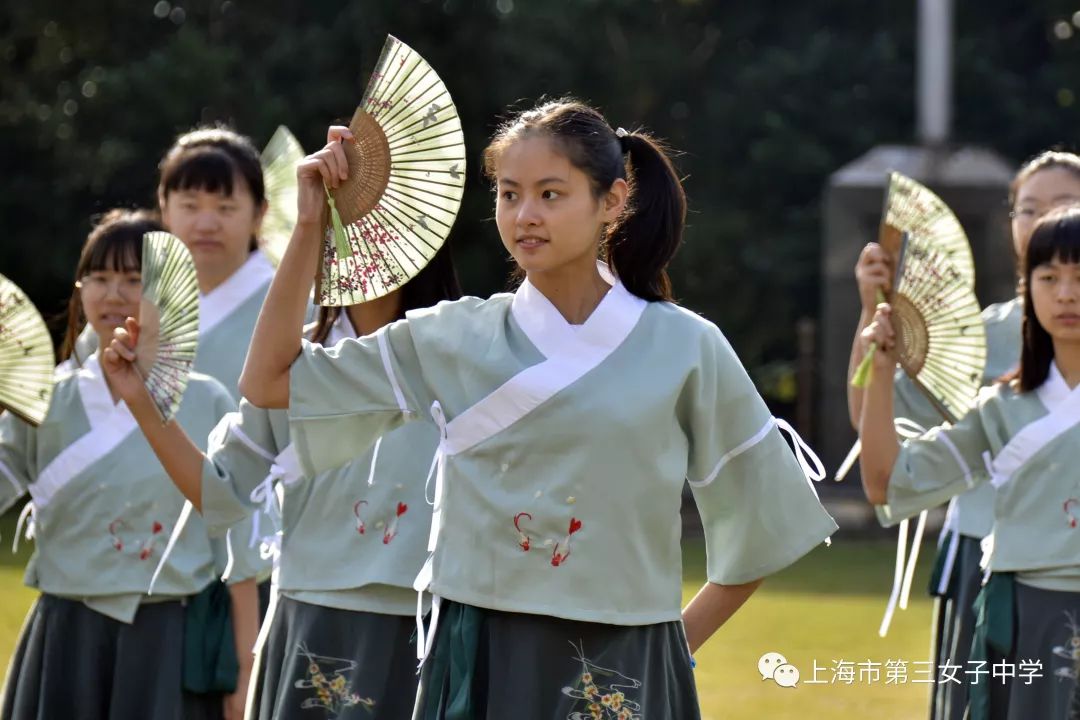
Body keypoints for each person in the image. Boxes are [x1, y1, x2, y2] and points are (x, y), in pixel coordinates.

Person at [240, 99, 838, 718]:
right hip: (480, 652)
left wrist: (668, 645)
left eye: (551, 194)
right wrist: (311, 224)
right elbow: (268, 381)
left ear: (612, 200)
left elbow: (766, 523)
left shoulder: (687, 345)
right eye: (508, 194)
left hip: (624, 656)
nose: (525, 215)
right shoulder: (451, 336)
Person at [102, 247, 461, 720]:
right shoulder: (290, 365)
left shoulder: (458, 353)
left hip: (426, 625)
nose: (363, 248)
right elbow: (220, 494)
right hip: (310, 619)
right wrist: (143, 400)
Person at [847, 150, 1080, 720]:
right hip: (1013, 586)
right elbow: (886, 473)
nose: (1066, 294)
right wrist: (878, 360)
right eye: (1050, 278)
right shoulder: (996, 391)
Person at [0, 209, 244, 719]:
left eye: (134, 280)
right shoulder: (44, 399)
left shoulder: (209, 400)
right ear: (80, 288)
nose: (113, 294)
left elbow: (241, 540)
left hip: (169, 632)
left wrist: (242, 667)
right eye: (100, 278)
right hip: (66, 626)